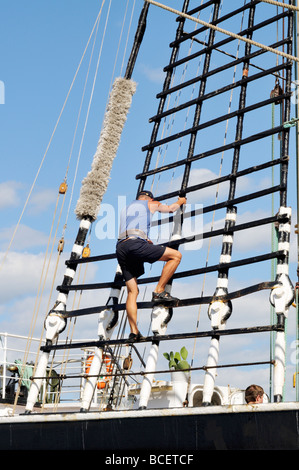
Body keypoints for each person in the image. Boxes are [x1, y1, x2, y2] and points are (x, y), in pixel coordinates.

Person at [116, 190, 186, 340]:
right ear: (150, 198)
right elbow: (171, 209)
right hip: (135, 245)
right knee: (176, 256)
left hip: (121, 247)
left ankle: (134, 332)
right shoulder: (150, 203)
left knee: (132, 292)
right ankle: (159, 291)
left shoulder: (126, 209)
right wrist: (180, 201)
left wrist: (144, 238)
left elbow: (131, 229)